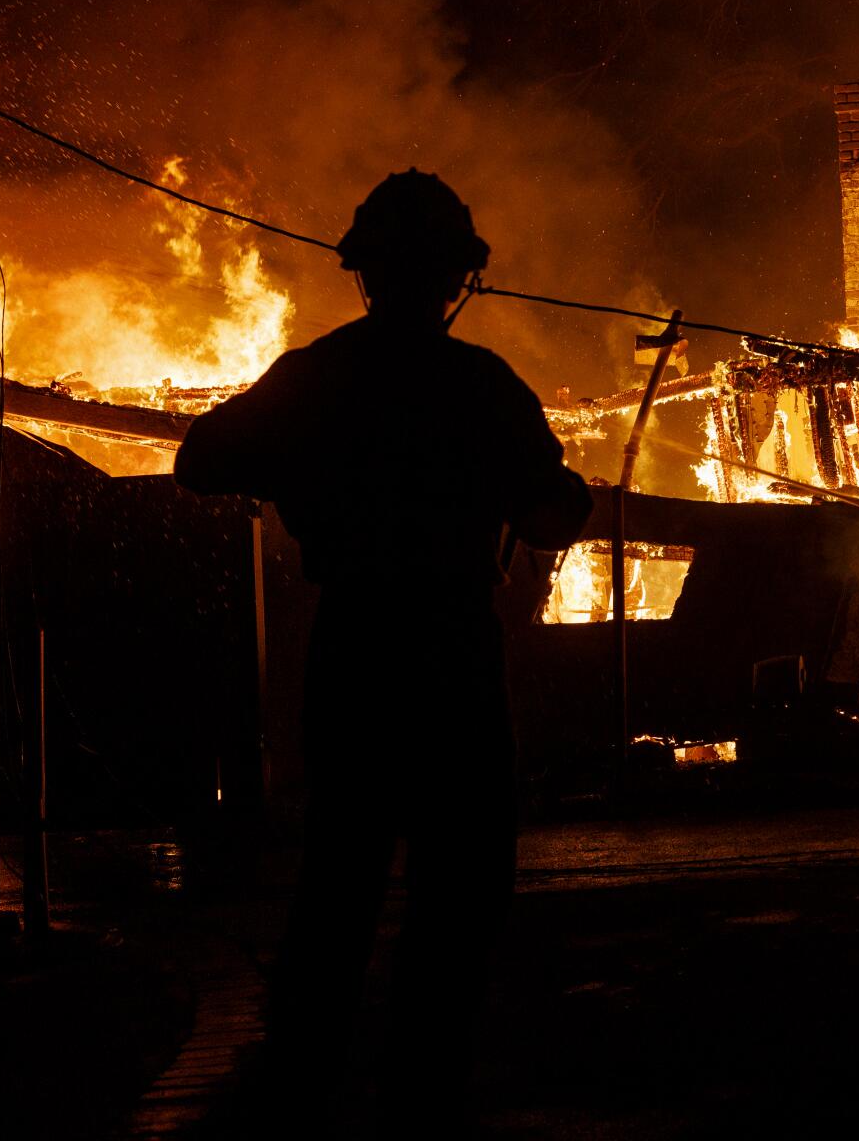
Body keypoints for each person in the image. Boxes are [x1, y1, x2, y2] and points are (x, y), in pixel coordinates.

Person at [175, 169, 590, 1120]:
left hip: (356, 647)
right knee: (462, 883)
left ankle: (304, 1084)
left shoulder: (316, 376)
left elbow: (199, 460)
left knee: (342, 874)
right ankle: (425, 1087)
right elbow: (552, 509)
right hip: (452, 653)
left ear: (367, 274)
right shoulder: (481, 386)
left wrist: (294, 464)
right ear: (455, 280)